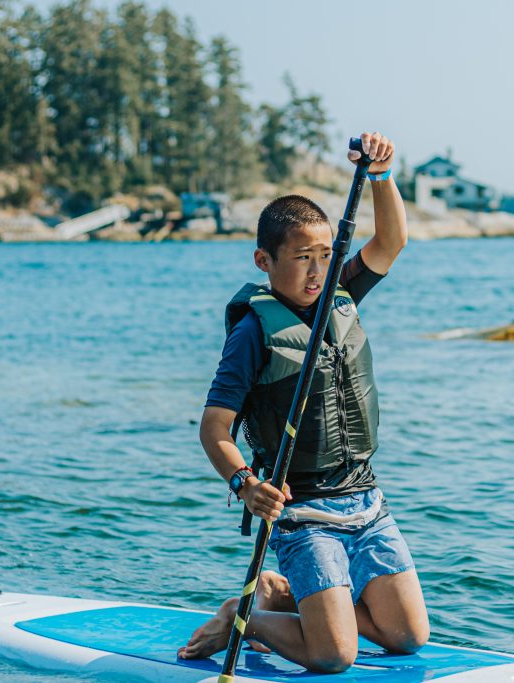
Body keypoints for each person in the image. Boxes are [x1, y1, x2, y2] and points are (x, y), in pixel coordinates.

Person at [178, 132, 428, 673]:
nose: (316, 272)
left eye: (323, 256)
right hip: (304, 512)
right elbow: (214, 428)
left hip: (366, 500)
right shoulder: (252, 332)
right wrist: (245, 484)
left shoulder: (341, 292)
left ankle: (281, 595)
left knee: (407, 635)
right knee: (333, 655)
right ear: (264, 261)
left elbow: (392, 241)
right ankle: (242, 620)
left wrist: (382, 175)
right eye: (300, 259)